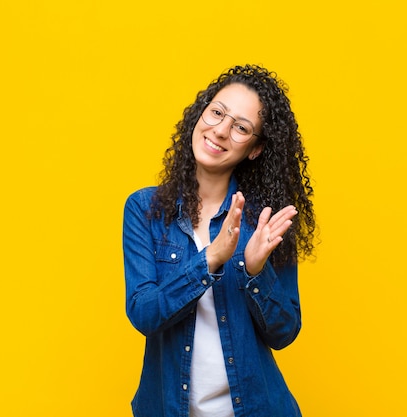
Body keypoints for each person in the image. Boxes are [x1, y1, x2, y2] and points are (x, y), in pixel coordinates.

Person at [122, 64, 316, 417]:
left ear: (255, 149)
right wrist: (209, 259)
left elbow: (284, 333)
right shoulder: (144, 209)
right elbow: (144, 313)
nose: (221, 130)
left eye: (241, 127)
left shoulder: (264, 222)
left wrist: (257, 272)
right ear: (201, 113)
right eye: (217, 112)